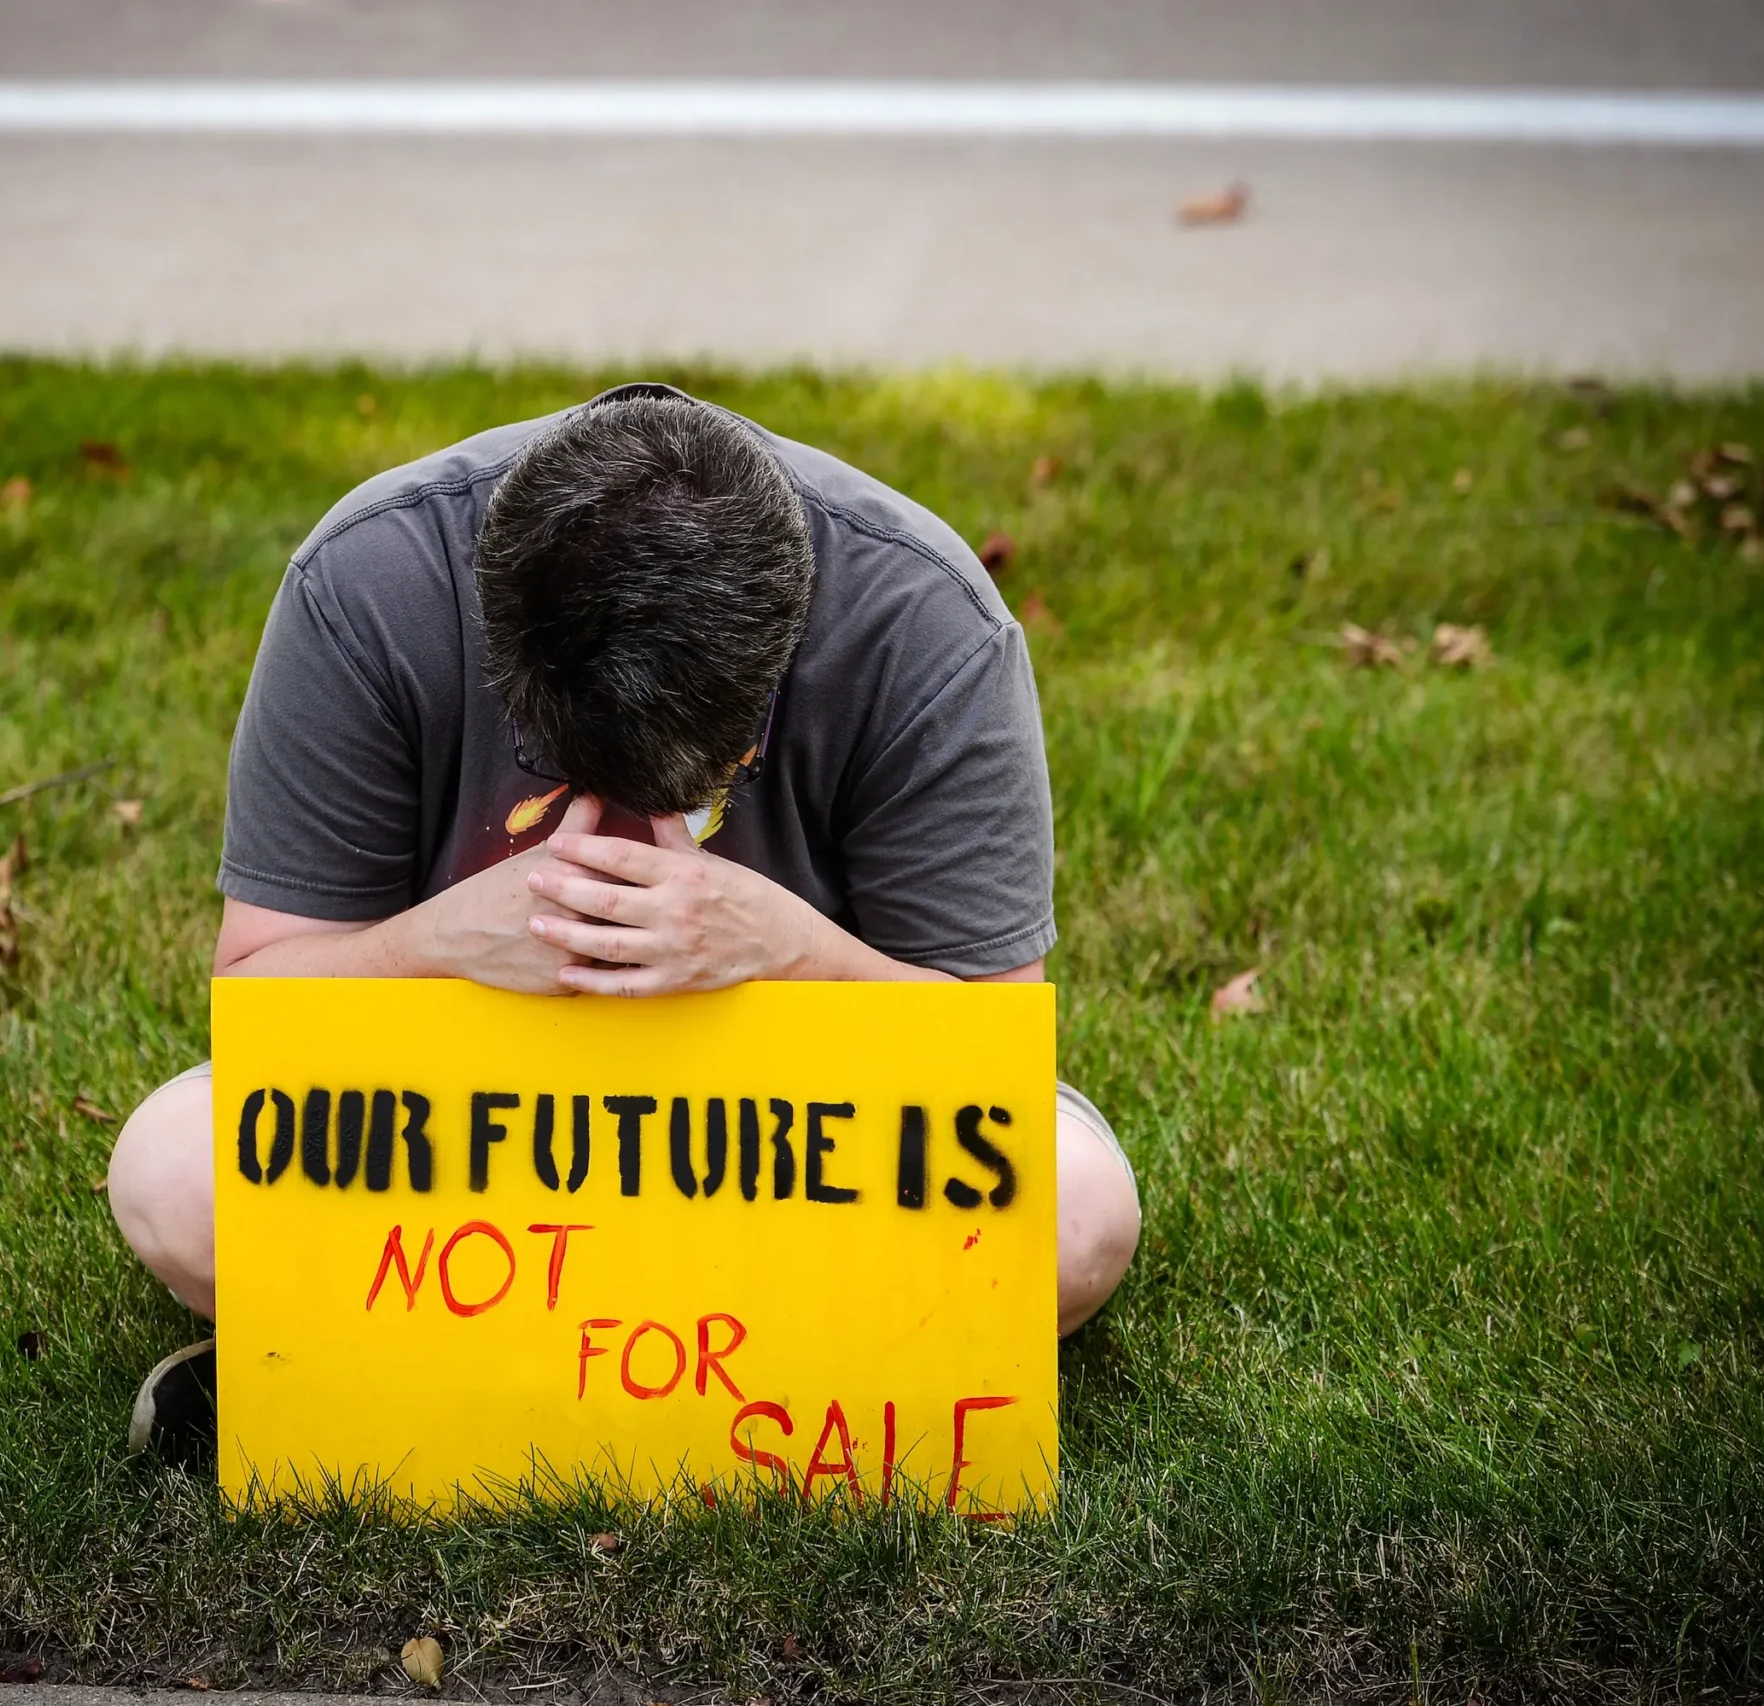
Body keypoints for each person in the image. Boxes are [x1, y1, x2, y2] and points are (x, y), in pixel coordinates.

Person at [108, 384, 1142, 1467]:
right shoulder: (370, 579)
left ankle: (368, 1357)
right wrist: (439, 945)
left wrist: (786, 951)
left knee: (1078, 1216)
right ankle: (791, 1359)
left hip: (794, 1138)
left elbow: (990, 1052)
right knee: (172, 1174)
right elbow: (262, 1000)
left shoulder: (925, 620)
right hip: (468, 1138)